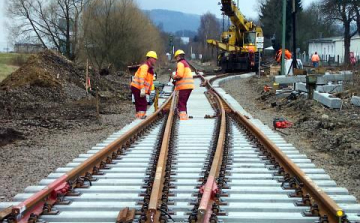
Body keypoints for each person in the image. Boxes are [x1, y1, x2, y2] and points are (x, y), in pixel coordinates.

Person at [130, 51, 157, 119]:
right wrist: (142, 89)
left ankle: (139, 116)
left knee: (140, 103)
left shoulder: (149, 69)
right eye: (154, 59)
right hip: (138, 87)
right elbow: (141, 78)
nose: (155, 60)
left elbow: (149, 81)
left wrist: (148, 91)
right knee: (142, 103)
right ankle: (140, 117)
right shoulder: (145, 67)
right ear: (150, 58)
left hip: (138, 87)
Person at [171, 50, 194, 120]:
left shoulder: (180, 63)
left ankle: (183, 118)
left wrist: (173, 76)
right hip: (189, 86)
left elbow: (180, 75)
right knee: (183, 102)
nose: (176, 59)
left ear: (178, 56)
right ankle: (184, 116)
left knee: (181, 102)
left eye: (176, 57)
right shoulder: (185, 63)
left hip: (184, 87)